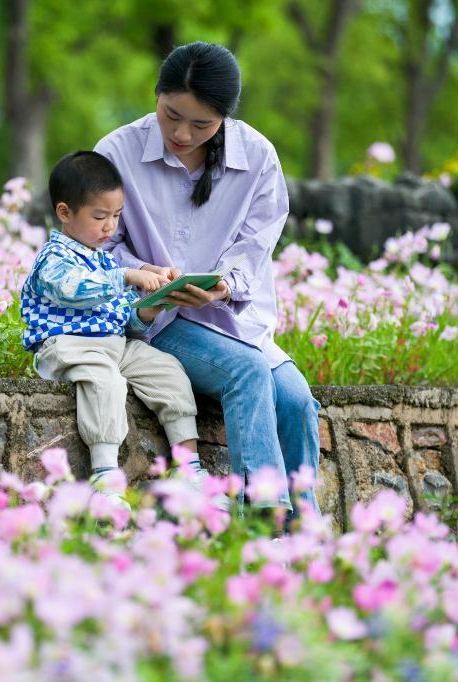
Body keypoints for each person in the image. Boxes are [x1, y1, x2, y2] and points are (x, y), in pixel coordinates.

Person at [95, 41, 321, 519]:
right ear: (156, 93)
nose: (181, 132)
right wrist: (140, 272)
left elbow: (257, 242)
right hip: (155, 317)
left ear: (225, 118)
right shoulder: (116, 152)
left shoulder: (257, 156)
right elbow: (94, 244)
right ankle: (265, 519)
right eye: (171, 114)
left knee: (298, 403)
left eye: (201, 124)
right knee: (246, 372)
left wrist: (226, 285)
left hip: (234, 319)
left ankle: (309, 532)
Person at [20, 151, 230, 511]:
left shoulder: (102, 259)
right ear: (65, 213)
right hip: (69, 346)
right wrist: (127, 275)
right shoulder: (54, 257)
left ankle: (188, 470)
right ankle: (105, 479)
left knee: (167, 371)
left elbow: (124, 320)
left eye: (116, 217)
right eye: (99, 217)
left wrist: (150, 307)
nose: (109, 227)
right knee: (106, 383)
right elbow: (72, 289)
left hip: (114, 344)